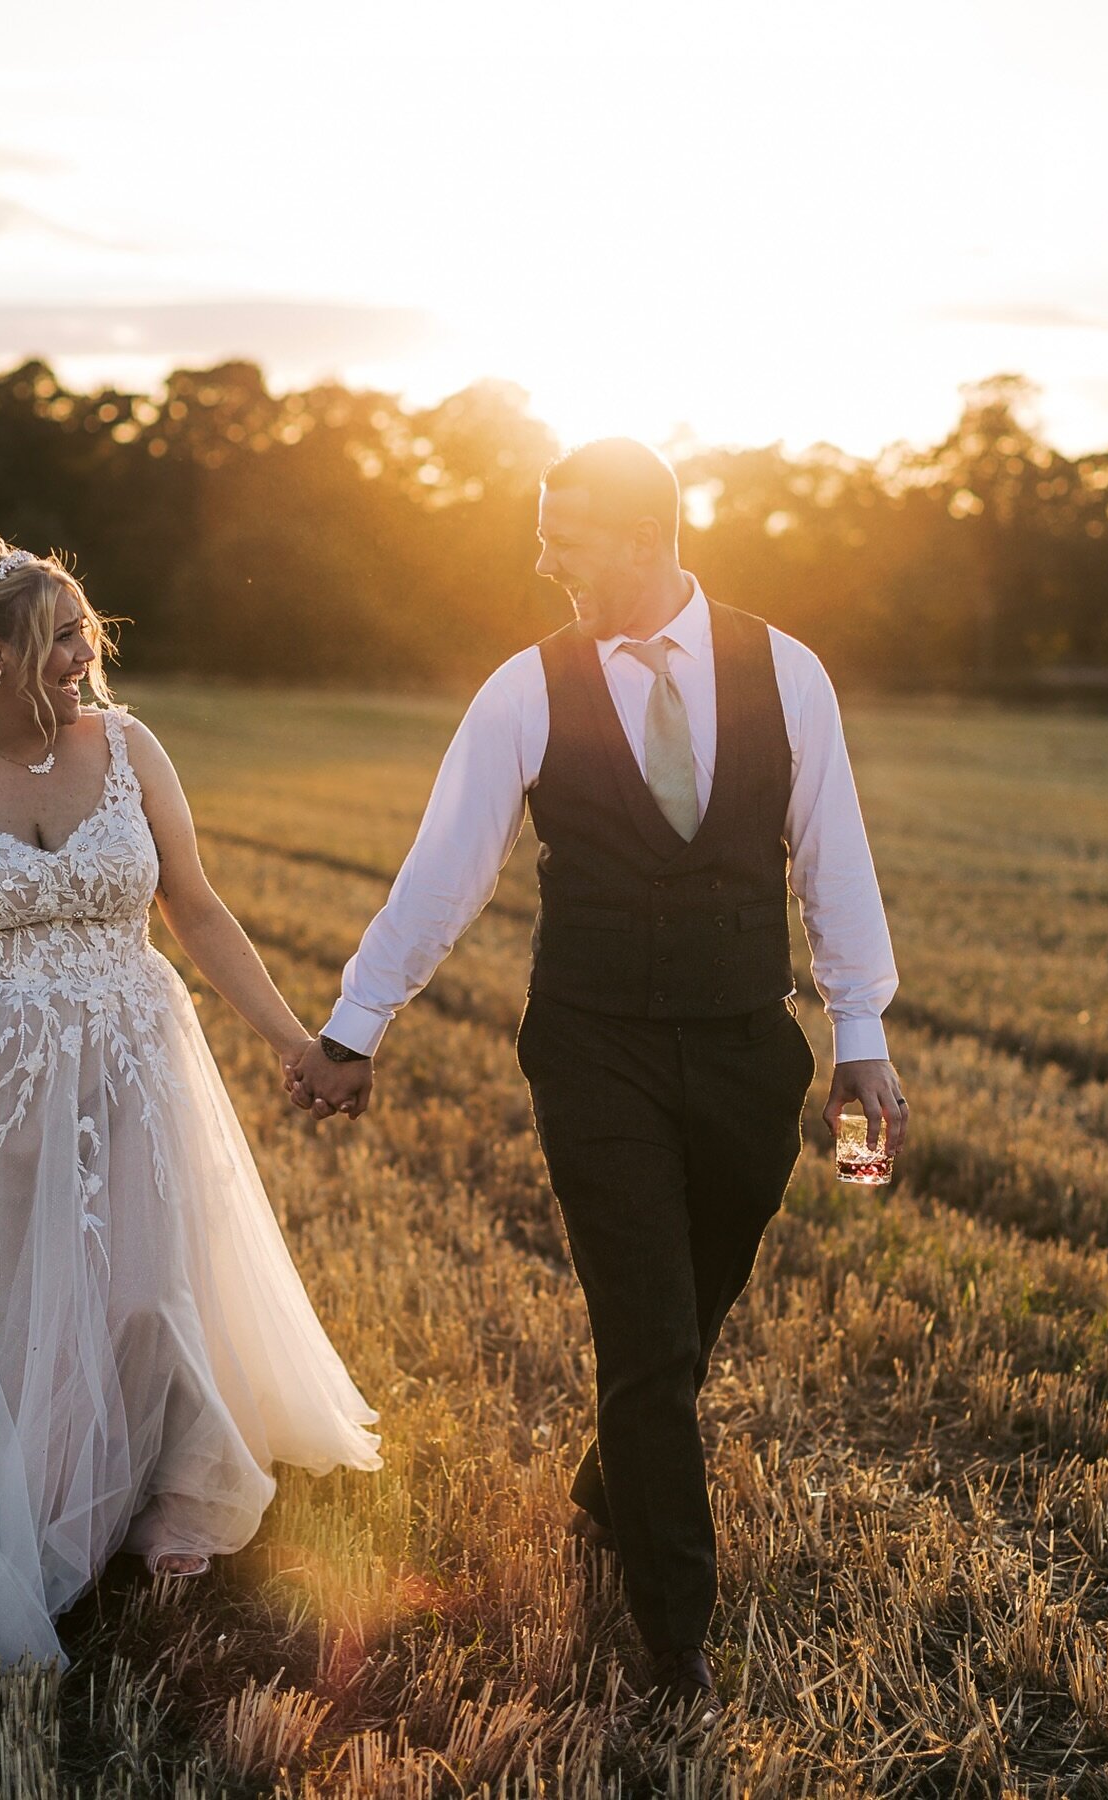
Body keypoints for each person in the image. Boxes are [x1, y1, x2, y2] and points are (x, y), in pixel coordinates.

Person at [286, 437, 909, 1728]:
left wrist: (864, 1036)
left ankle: (602, 1487)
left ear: (650, 538)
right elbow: (444, 871)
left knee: (687, 1323)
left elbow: (831, 857)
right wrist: (356, 1028)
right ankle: (676, 1632)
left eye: (569, 539)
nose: (548, 563)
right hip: (594, 1046)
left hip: (749, 1046)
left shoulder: (788, 672)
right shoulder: (526, 690)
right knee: (645, 1330)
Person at [0, 531, 381, 1684]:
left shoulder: (132, 745)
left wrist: (298, 1041)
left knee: (144, 1289)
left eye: (83, 628)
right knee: (6, 1311)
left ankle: (158, 1490)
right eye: (59, 637)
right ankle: (16, 1514)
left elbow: (196, 911)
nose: (82, 652)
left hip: (131, 1061)